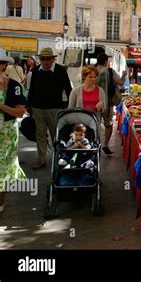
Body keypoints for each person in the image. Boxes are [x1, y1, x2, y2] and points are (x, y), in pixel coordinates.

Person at [28, 47, 72, 170]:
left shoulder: (60, 70)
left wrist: (69, 105)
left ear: (53, 59)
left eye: (48, 59)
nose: (45, 61)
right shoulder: (36, 71)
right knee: (40, 135)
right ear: (40, 60)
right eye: (43, 59)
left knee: (56, 135)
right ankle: (41, 159)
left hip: (54, 109)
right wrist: (29, 106)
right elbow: (32, 90)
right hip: (37, 108)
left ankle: (59, 158)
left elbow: (68, 89)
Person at [0, 49, 27, 213]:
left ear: (3, 65)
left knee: (4, 167)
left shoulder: (14, 86)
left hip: (7, 133)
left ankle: (1, 200)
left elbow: (20, 112)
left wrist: (2, 107)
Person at [96, 53, 126, 155]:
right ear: (105, 62)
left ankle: (95, 144)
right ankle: (105, 145)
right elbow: (121, 82)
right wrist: (124, 74)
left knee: (94, 124)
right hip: (107, 103)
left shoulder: (92, 71)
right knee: (108, 124)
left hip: (94, 103)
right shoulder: (110, 71)